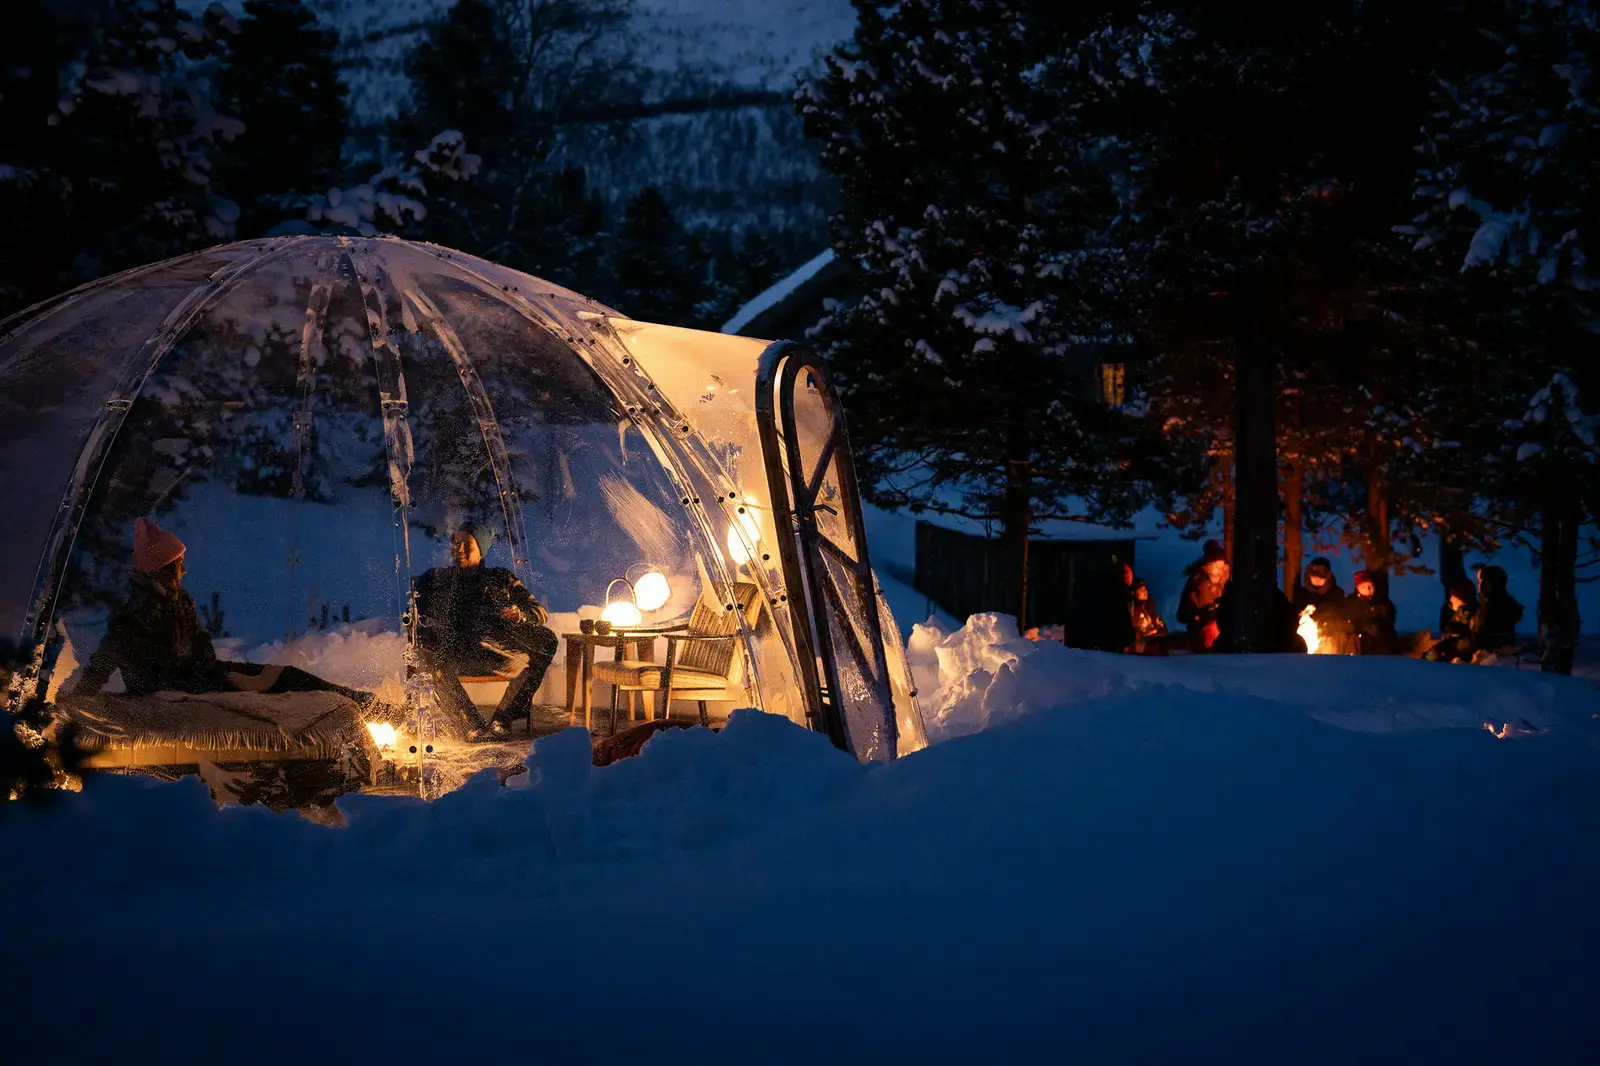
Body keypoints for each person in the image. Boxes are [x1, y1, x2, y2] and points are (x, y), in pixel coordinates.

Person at [72, 518, 370, 705]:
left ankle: (360, 703)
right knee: (278, 685)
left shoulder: (178, 601)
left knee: (284, 675)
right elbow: (107, 657)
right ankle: (357, 705)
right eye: (178, 565)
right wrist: (82, 697)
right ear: (162, 569)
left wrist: (218, 669)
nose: (184, 570)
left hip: (200, 675)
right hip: (177, 689)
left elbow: (200, 647)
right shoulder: (137, 613)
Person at [413, 522, 558, 739]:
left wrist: (520, 614)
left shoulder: (500, 578)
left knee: (547, 639)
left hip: (497, 654)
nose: (459, 548)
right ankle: (471, 725)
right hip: (457, 654)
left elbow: (538, 612)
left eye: (467, 543)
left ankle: (503, 719)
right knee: (426, 653)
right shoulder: (437, 579)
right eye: (456, 542)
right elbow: (413, 610)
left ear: (481, 548)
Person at [1292, 556, 1352, 654]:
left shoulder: (1336, 594)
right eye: (1314, 576)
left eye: (1321, 577)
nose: (1317, 580)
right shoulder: (1301, 594)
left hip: (1330, 639)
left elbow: (1343, 616)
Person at [1177, 540, 1229, 652]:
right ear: (1208, 565)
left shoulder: (1225, 585)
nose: (1219, 571)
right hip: (1201, 630)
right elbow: (1183, 614)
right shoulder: (1197, 583)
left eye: (1221, 567)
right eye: (1216, 567)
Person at [1469, 564, 1524, 661]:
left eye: (1481, 581)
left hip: (1488, 660)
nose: (1479, 585)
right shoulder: (1506, 604)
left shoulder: (1491, 607)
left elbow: (1480, 638)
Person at [1346, 570, 1398, 656]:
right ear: (1357, 588)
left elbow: (1388, 621)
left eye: (1370, 586)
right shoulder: (1351, 602)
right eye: (1364, 586)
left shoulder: (1382, 602)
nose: (1368, 589)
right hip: (1358, 639)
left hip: (1378, 639)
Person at [1425, 580, 1477, 663]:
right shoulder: (1461, 612)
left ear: (1460, 597)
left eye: (1452, 595)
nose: (1450, 599)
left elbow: (1456, 642)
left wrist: (1427, 657)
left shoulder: (1467, 613)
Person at [1129, 578, 1169, 654]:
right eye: (1141, 589)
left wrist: (1158, 631)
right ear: (1135, 593)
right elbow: (1139, 634)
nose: (1145, 591)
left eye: (1146, 589)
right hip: (1143, 648)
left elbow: (1162, 627)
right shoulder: (1134, 611)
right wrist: (1153, 632)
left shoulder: (1150, 609)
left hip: (1154, 642)